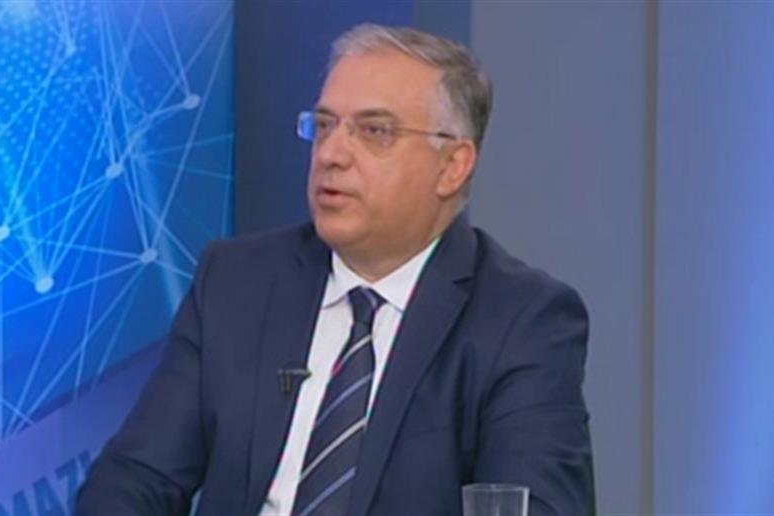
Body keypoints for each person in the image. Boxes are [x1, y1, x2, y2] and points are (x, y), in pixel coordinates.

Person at [77, 23, 593, 516]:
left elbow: (538, 506)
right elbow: (134, 478)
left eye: (374, 131)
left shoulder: (521, 319)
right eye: (323, 126)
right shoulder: (236, 281)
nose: (331, 153)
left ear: (452, 166)